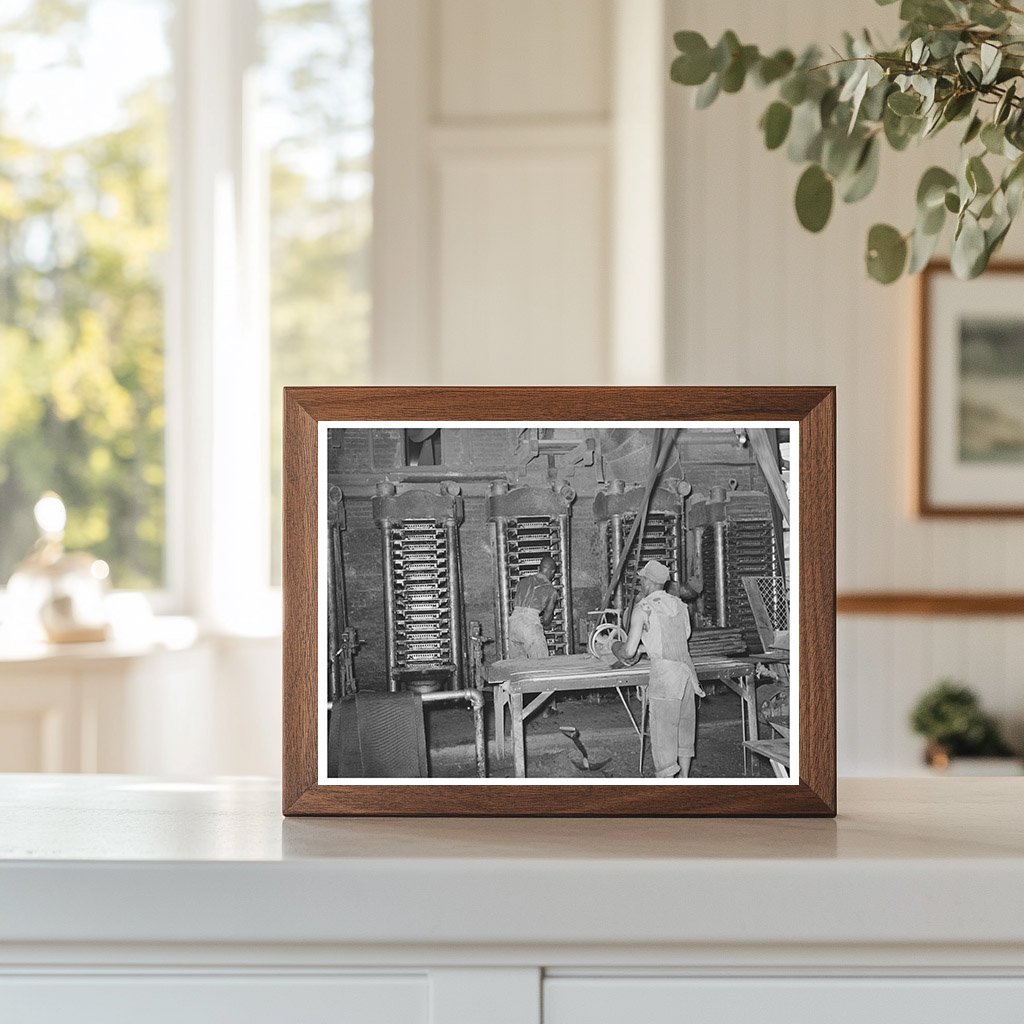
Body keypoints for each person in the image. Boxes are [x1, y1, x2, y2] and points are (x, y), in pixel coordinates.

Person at [612, 559, 706, 779]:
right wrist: (649, 645)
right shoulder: (680, 606)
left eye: (642, 579)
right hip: (687, 676)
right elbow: (683, 636)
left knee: (664, 737)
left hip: (666, 679)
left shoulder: (643, 608)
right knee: (684, 732)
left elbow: (628, 652)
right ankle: (684, 780)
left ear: (647, 581)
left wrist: (614, 646)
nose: (640, 583)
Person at [507, 555, 557, 659]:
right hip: (530, 625)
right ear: (552, 572)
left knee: (518, 665)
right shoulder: (551, 590)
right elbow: (546, 619)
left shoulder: (522, 582)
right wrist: (546, 624)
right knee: (541, 663)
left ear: (539, 568)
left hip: (513, 624)